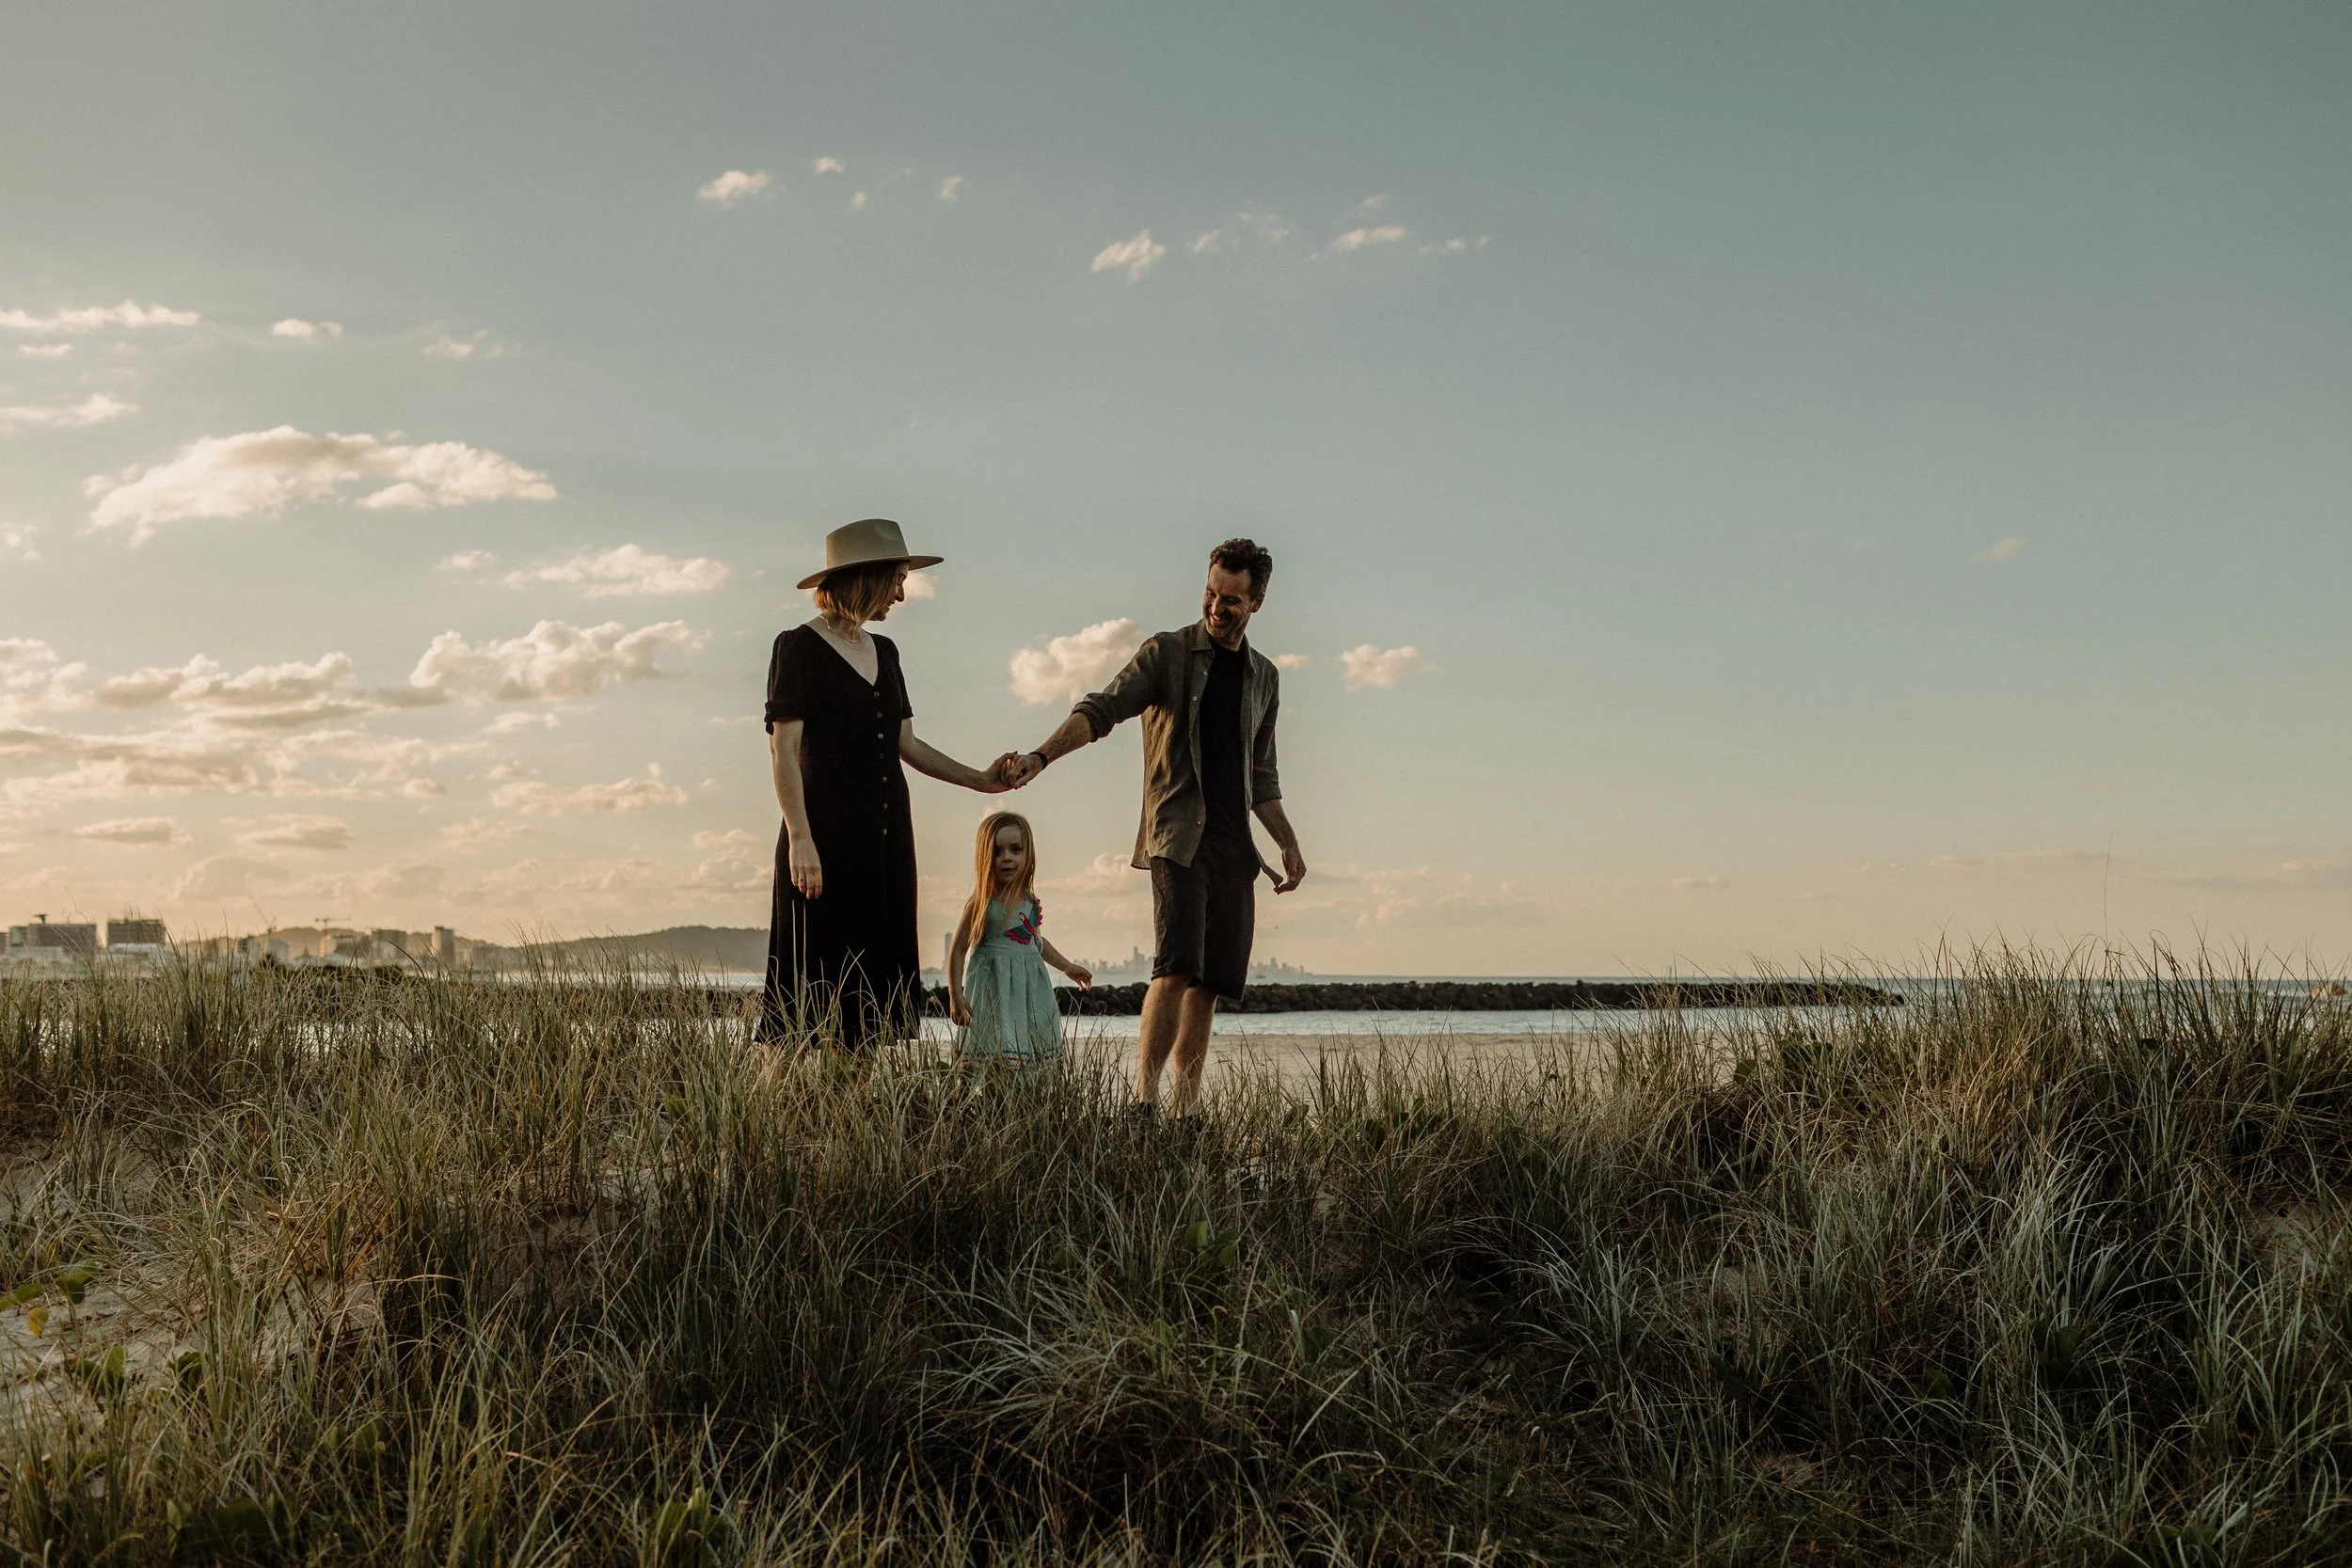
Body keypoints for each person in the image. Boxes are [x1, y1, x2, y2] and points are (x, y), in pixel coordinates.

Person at [1003, 538, 1306, 1117]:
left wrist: (1287, 842)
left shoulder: (1264, 677)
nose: (1217, 607)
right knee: (1176, 968)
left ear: (1257, 603)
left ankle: (1184, 1112)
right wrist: (1040, 757)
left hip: (1234, 847)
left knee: (1210, 983)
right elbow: (1102, 709)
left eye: (1232, 600)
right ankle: (1143, 1104)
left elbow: (1262, 776)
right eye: (1211, 593)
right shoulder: (1166, 654)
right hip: (1178, 837)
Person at [763, 517, 1014, 1049]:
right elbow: (783, 751)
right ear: (868, 577)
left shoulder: (888, 653)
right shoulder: (797, 647)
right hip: (822, 837)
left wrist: (981, 781)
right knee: (807, 990)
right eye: (897, 578)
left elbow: (909, 746)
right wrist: (801, 838)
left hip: (885, 837)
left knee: (873, 991)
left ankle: (853, 1118)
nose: (902, 593)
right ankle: (775, 1116)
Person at [947, 812, 1093, 1062]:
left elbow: (1036, 942)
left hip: (1030, 993)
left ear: (1028, 855)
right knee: (993, 1052)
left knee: (1028, 1051)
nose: (1007, 858)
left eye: (1015, 850)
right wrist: (955, 995)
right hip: (992, 991)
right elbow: (959, 949)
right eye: (997, 851)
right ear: (985, 856)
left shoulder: (1030, 903)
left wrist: (1067, 966)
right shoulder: (981, 903)